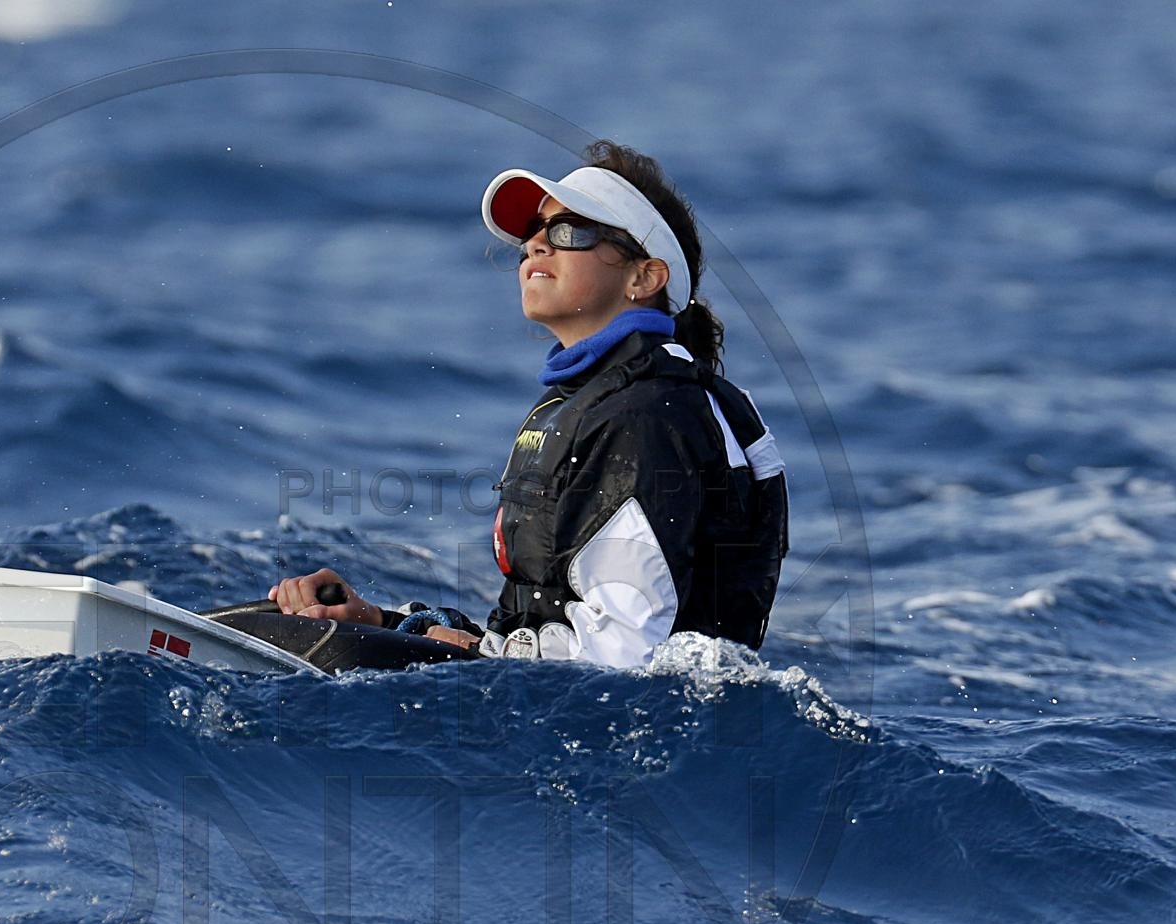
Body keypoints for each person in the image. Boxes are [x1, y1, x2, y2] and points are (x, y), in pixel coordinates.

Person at [269, 139, 788, 667]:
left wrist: (468, 654)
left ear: (644, 277)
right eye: (533, 233)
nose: (537, 245)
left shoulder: (647, 414)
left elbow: (625, 658)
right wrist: (386, 623)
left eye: (569, 231)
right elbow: (538, 632)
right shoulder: (588, 402)